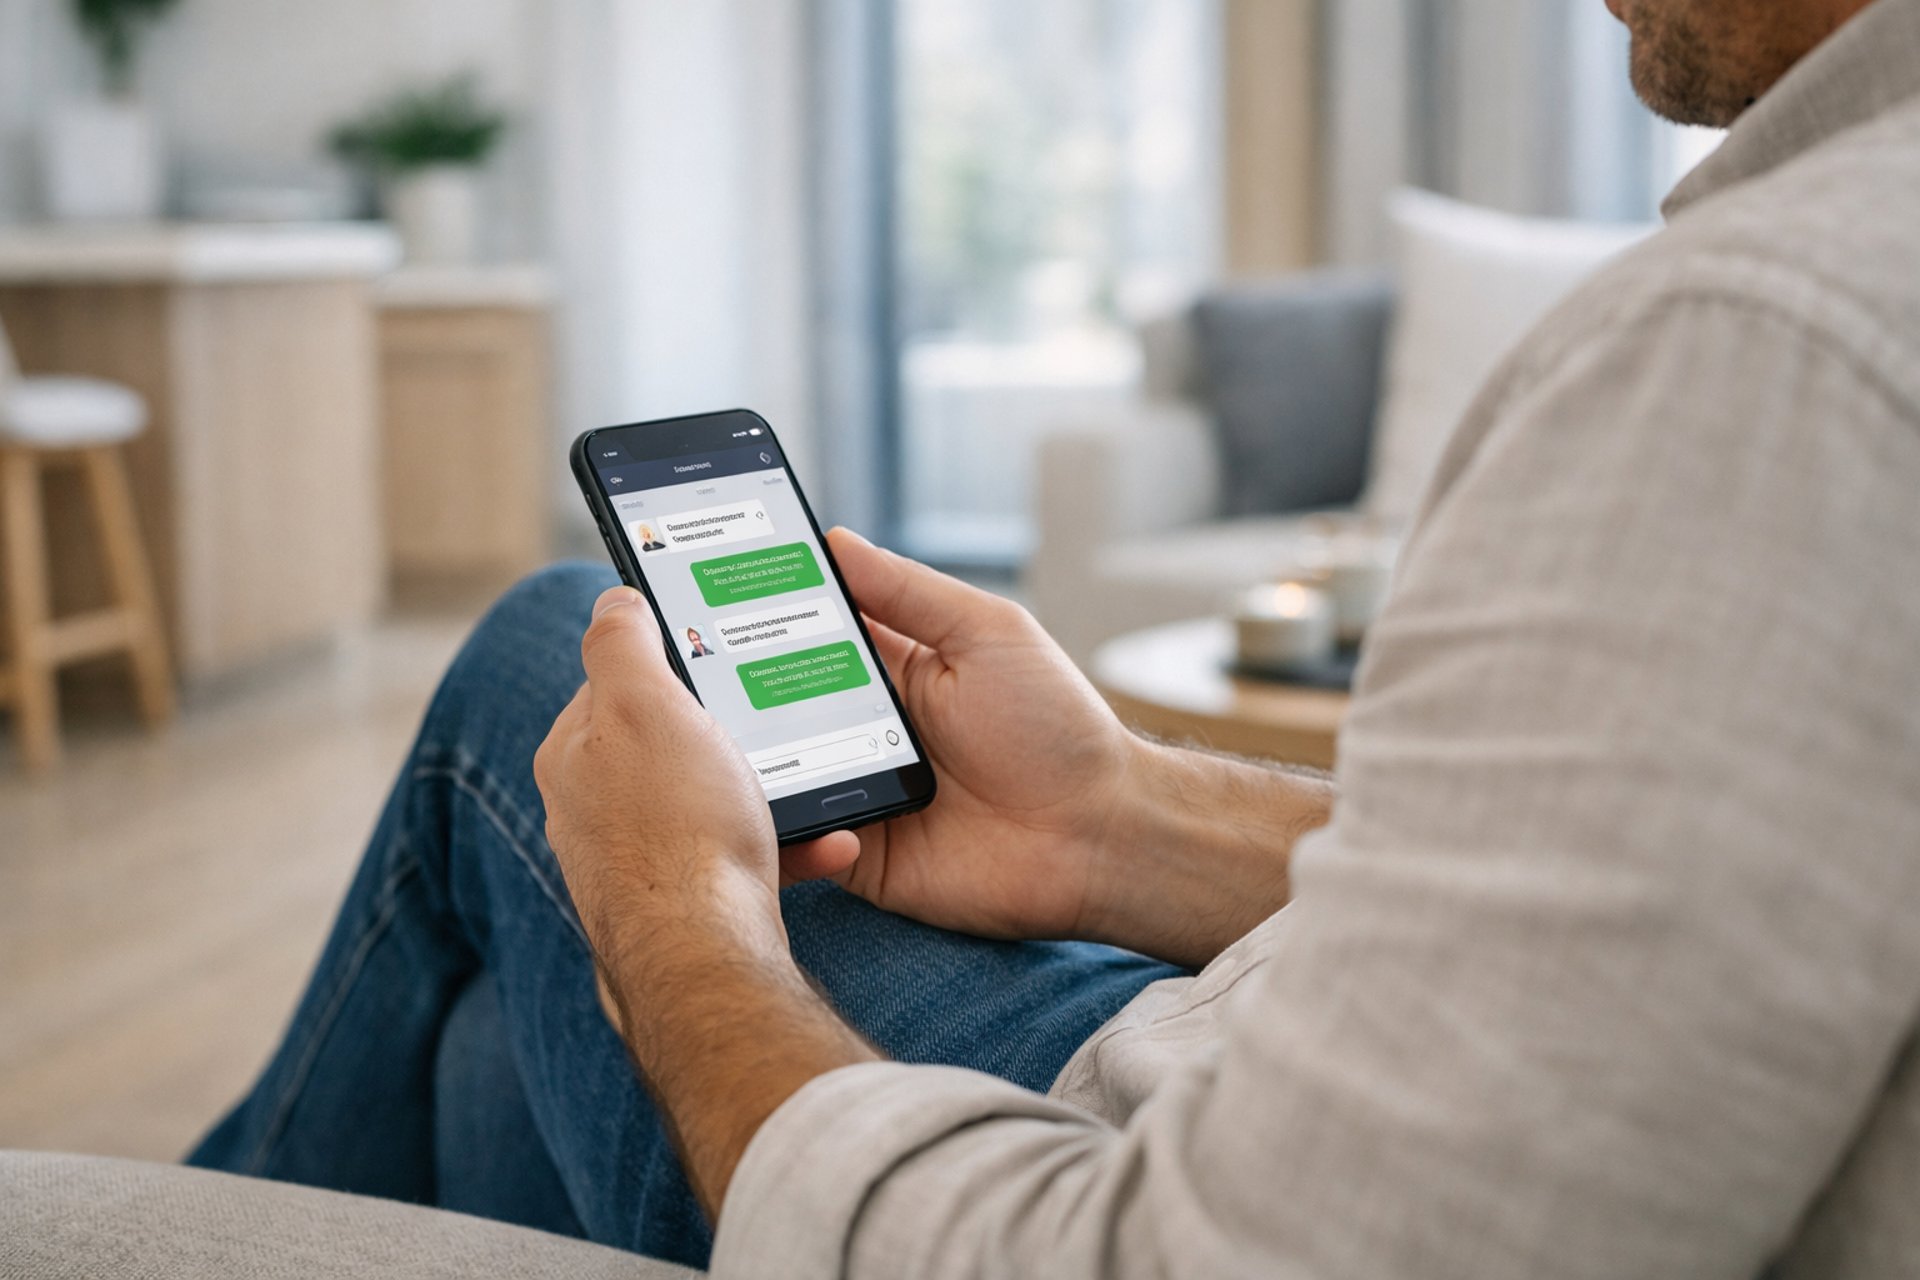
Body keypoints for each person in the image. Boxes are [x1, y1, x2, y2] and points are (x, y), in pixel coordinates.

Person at [190, 1, 1920, 1274]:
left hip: (1149, 1144)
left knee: (544, 655)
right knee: (495, 1067)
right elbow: (1664, 898)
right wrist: (1120, 819)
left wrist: (672, 929)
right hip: (1276, 1029)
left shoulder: (1771, 337)